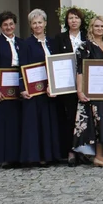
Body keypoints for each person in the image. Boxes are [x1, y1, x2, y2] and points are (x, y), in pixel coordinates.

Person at [73, 15, 103, 167]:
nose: (99, 29)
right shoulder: (84, 46)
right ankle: (98, 157)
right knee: (97, 123)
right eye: (96, 26)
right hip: (92, 93)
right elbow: (80, 70)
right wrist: (80, 91)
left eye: (102, 26)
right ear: (91, 28)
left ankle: (101, 156)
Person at [19, 9, 61, 166]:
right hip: (34, 90)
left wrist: (56, 86)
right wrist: (23, 88)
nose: (37, 25)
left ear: (45, 23)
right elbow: (22, 66)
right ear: (30, 25)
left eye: (40, 22)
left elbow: (57, 65)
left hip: (50, 90)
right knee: (35, 123)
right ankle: (36, 156)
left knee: (49, 121)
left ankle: (51, 155)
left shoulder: (52, 42)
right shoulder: (25, 44)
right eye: (34, 23)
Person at [51, 8, 87, 166]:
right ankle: (71, 151)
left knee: (86, 119)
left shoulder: (88, 37)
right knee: (70, 118)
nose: (73, 21)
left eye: (76, 18)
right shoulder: (59, 38)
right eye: (71, 18)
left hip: (86, 84)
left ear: (81, 20)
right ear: (66, 21)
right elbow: (55, 62)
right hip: (67, 85)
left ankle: (85, 151)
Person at [0, 11, 22, 168]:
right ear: (0, 27)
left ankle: (17, 156)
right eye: (5, 24)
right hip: (1, 89)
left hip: (18, 89)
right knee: (3, 125)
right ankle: (5, 157)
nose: (9, 27)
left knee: (17, 124)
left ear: (15, 25)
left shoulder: (22, 43)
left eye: (11, 24)